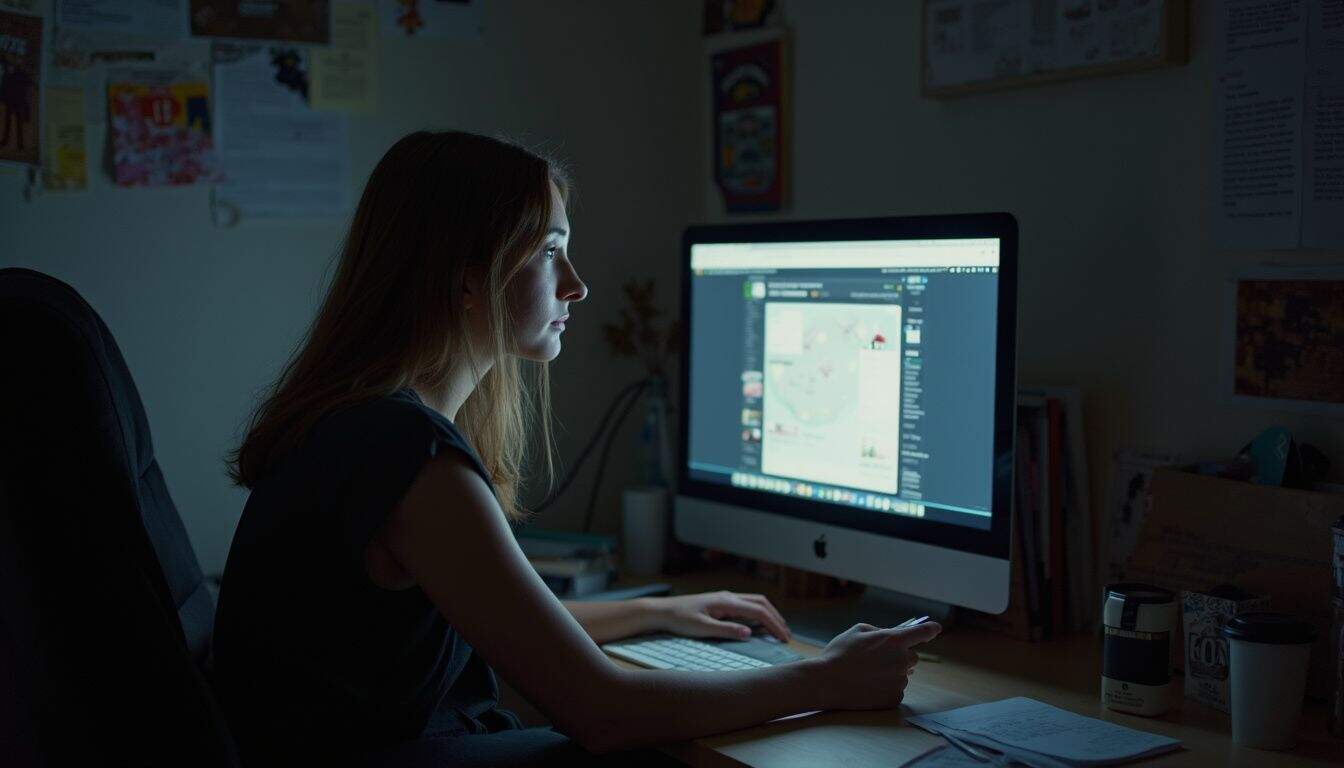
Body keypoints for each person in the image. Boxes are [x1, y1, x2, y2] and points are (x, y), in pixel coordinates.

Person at [214, 131, 940, 767]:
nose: (578, 285)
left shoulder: (360, 422)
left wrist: (656, 612)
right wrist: (825, 680)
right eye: (551, 251)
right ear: (467, 276)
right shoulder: (405, 454)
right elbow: (603, 712)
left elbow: (493, 619)